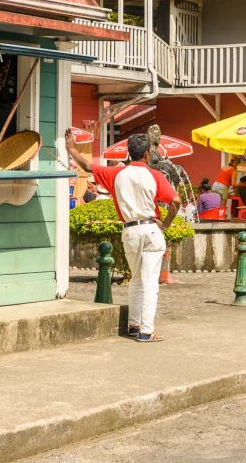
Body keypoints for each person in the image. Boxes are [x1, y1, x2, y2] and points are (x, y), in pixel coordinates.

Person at [66, 129, 180, 342]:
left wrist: (72, 149)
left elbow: (89, 166)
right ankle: (147, 331)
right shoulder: (155, 175)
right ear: (147, 154)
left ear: (128, 153)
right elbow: (176, 202)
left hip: (129, 230)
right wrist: (165, 223)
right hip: (150, 228)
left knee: (136, 280)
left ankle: (134, 326)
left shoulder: (117, 173)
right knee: (150, 283)